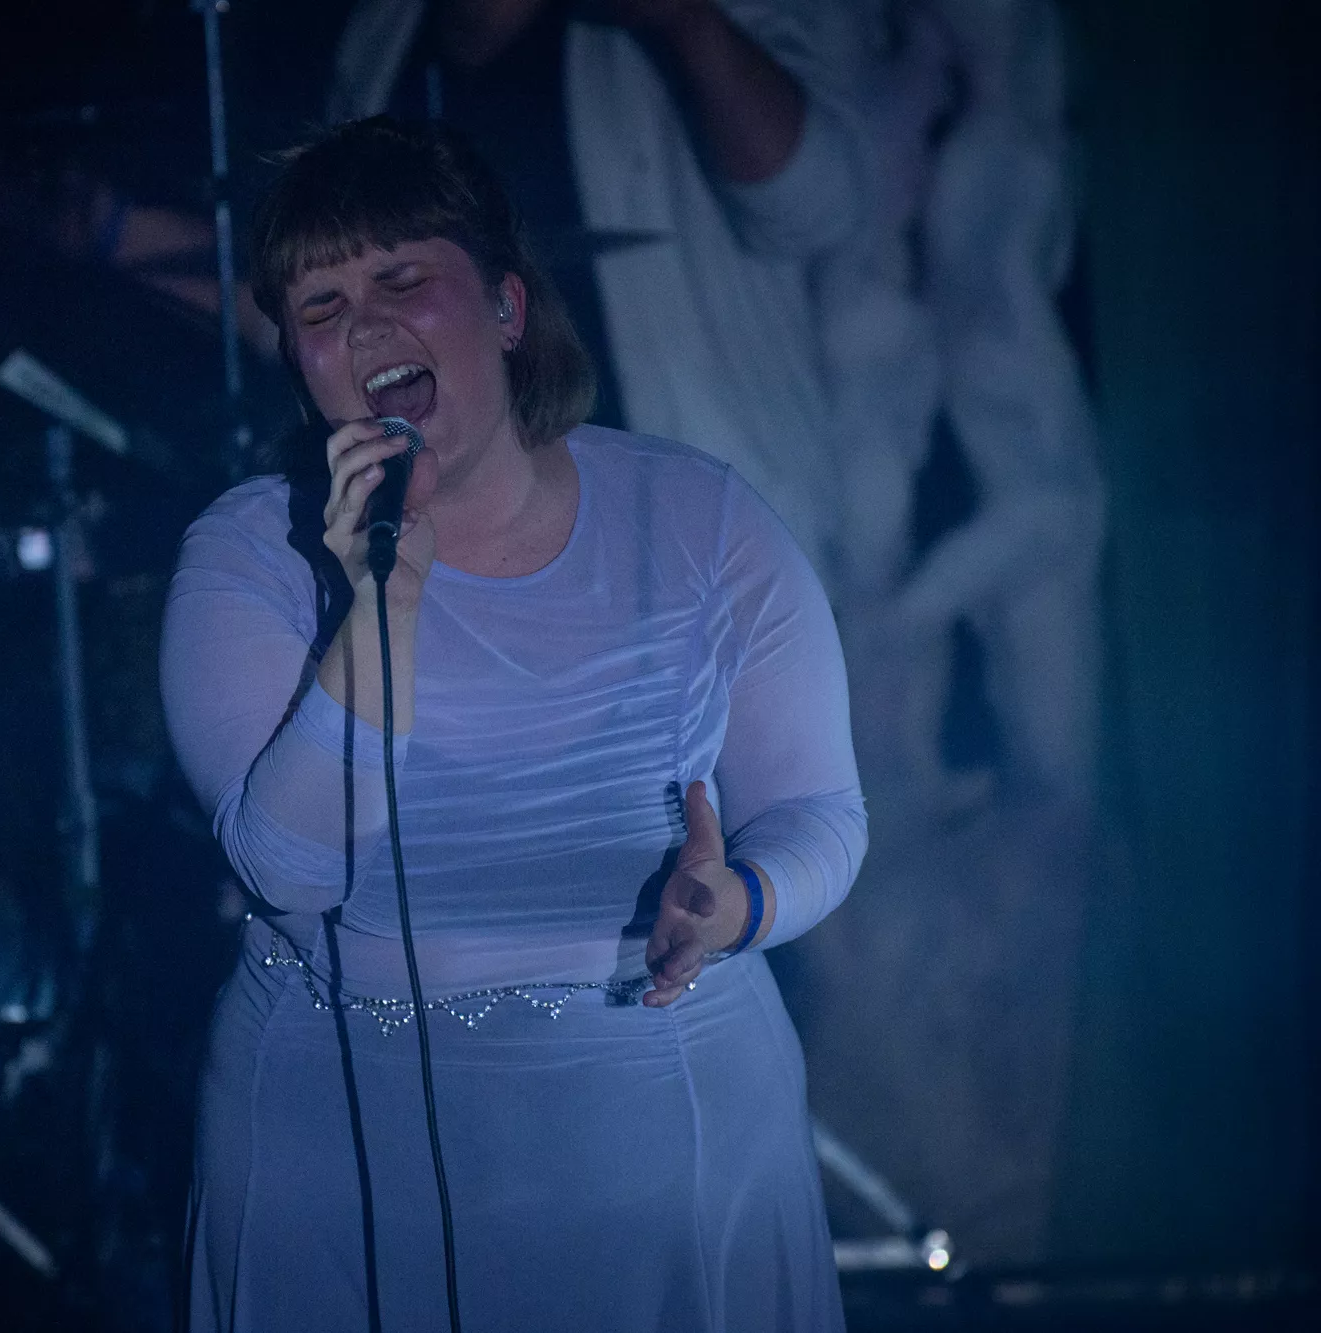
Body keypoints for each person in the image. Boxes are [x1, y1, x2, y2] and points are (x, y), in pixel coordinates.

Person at [159, 118, 866, 1331]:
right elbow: (290, 869)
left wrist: (737, 902)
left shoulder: (694, 516)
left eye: (400, 280)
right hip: (344, 1142)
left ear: (503, 306)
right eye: (319, 305)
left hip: (671, 1128)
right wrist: (384, 597)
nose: (363, 328)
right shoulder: (247, 554)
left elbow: (820, 809)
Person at [327, 0, 870, 583]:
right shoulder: (381, 35)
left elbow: (820, 209)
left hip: (707, 547)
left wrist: (685, 21)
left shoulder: (718, 14)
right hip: (475, 564)